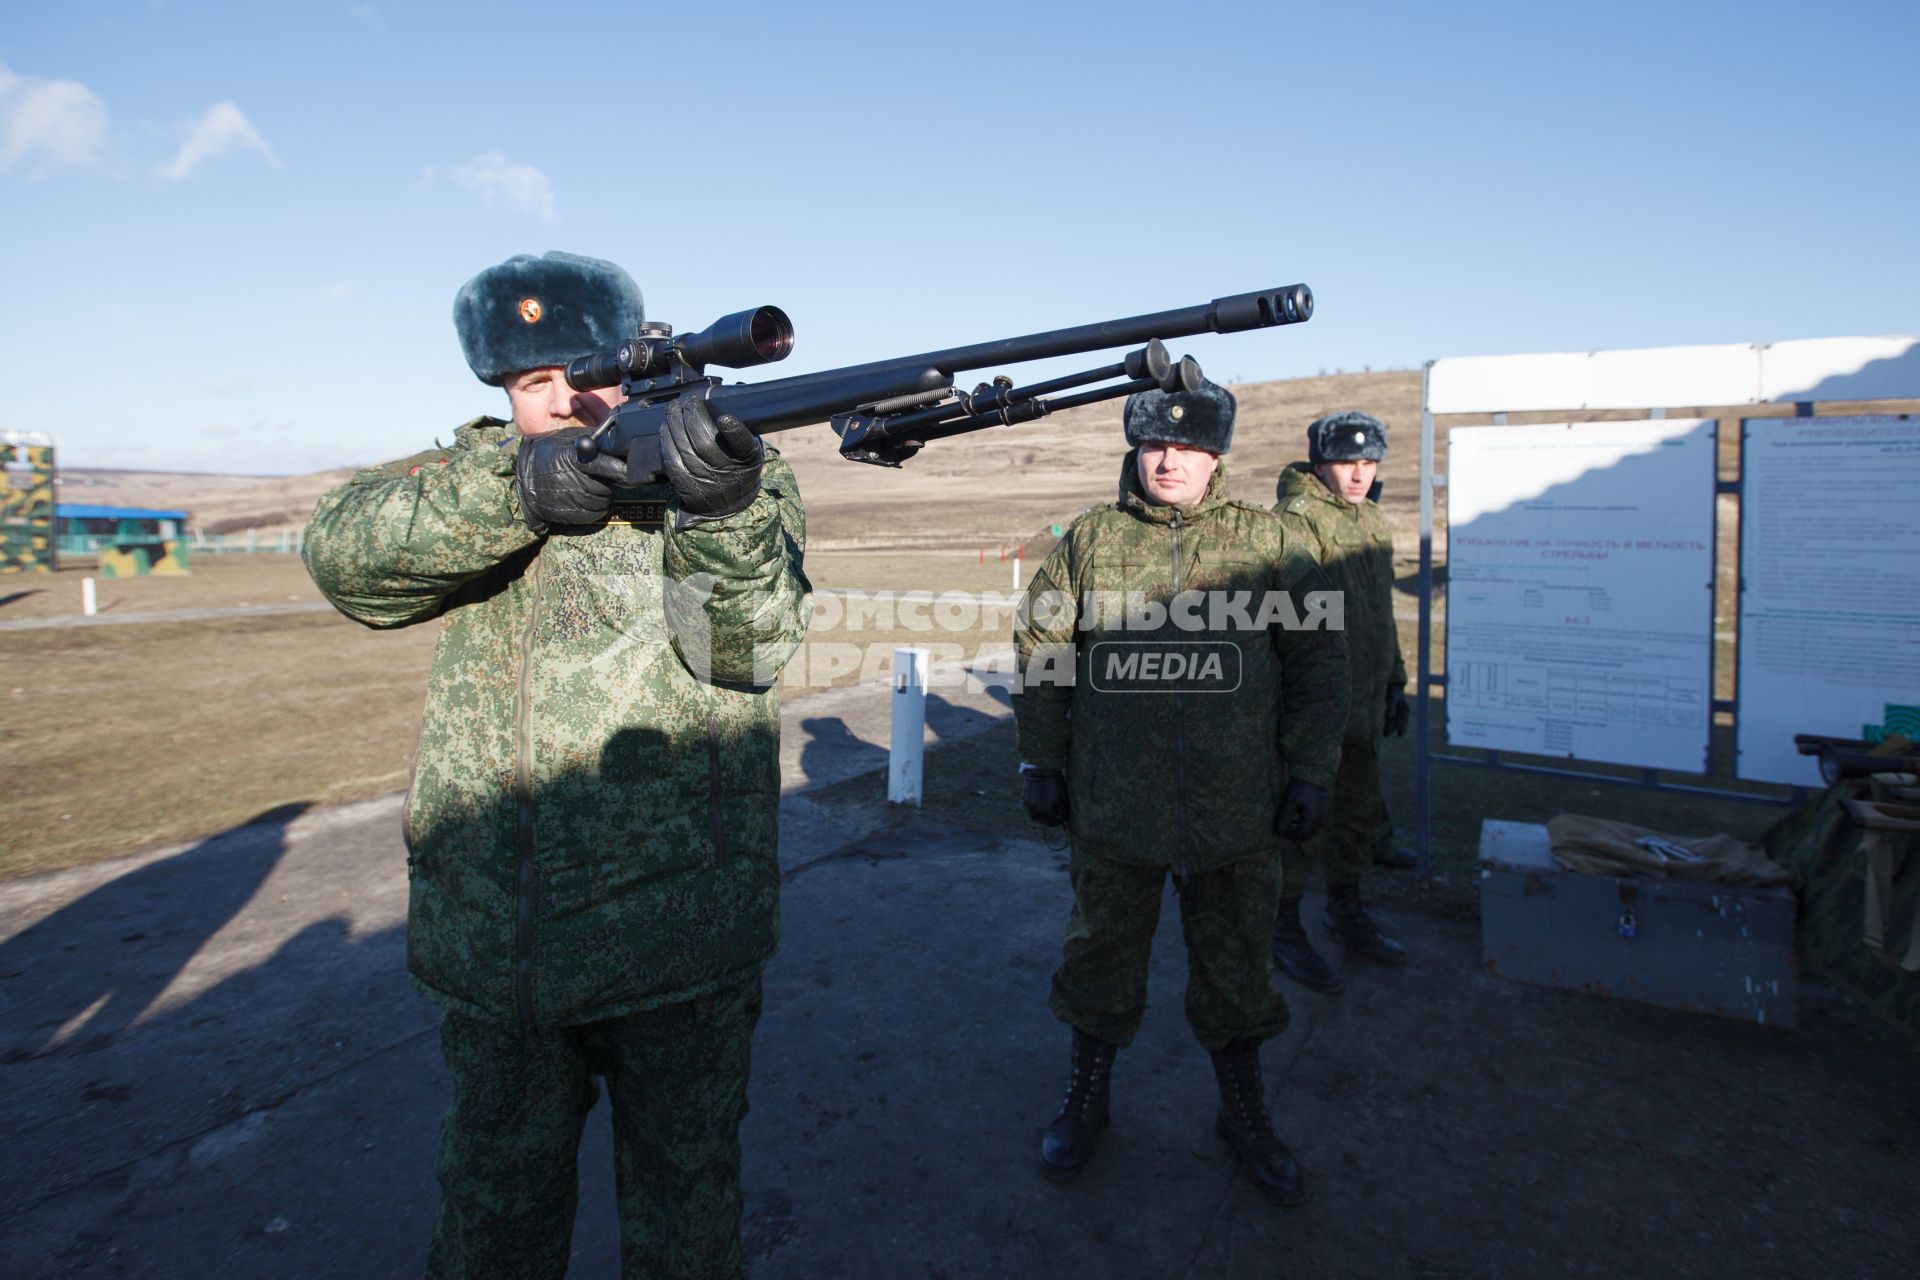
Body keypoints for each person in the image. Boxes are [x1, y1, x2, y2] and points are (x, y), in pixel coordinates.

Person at [303, 251, 811, 1279]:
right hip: (505, 946)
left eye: (585, 371)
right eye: (534, 383)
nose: (568, 397)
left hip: (681, 937)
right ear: (501, 393)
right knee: (494, 1218)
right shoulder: (475, 480)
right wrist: (528, 490)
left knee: (686, 1216)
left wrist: (718, 510)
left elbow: (747, 648)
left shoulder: (726, 472)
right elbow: (348, 561)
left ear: (635, 362)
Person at [1012, 377, 1349, 1207]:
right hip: (1113, 808)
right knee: (1098, 961)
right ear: (1135, 447)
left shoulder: (1270, 545)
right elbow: (1044, 651)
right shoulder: (1090, 541)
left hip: (1237, 811)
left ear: (1216, 458)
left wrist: (1310, 770)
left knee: (1238, 973)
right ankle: (1086, 1102)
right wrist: (1042, 760)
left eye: (1190, 446)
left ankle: (1244, 1114)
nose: (1170, 458)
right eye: (1156, 443)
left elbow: (1318, 665)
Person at [1268, 410, 1410, 995]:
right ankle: (1281, 925)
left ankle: (1345, 907)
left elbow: (1379, 610)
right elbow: (1287, 623)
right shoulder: (1296, 522)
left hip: (1366, 698)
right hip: (1319, 705)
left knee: (1355, 814)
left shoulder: (1370, 519)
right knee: (1302, 820)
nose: (1358, 474)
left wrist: (1396, 679)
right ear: (1320, 462)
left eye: (1368, 462)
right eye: (1347, 462)